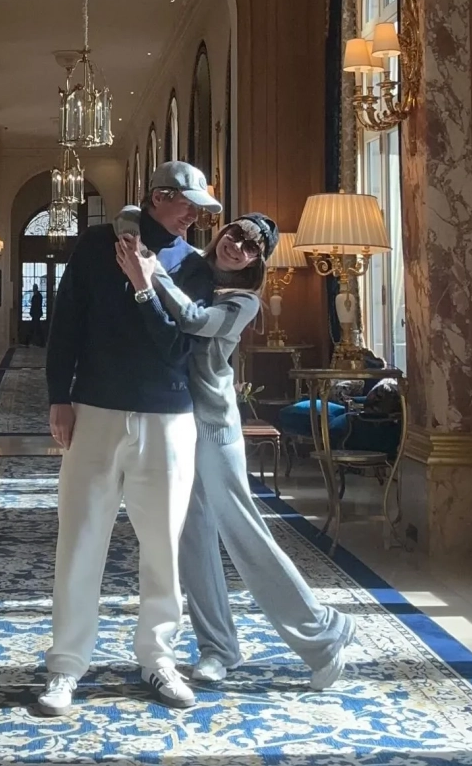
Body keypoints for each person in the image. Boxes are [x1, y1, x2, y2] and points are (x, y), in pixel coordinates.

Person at [115, 214, 357, 691]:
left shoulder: (244, 302)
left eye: (251, 247)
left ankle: (322, 631)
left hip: (214, 427)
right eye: (235, 234)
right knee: (191, 537)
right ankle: (218, 647)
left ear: (256, 262)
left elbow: (193, 321)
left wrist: (153, 274)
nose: (238, 246)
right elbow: (131, 220)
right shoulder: (191, 267)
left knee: (244, 533)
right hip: (175, 419)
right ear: (221, 231)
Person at [39, 162, 222, 716]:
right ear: (157, 197)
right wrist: (59, 395)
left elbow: (177, 350)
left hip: (168, 420)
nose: (193, 217)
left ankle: (159, 659)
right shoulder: (96, 246)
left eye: (199, 210)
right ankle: (66, 665)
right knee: (80, 541)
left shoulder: (194, 267)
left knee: (163, 547)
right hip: (94, 411)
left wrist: (146, 287)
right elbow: (66, 322)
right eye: (186, 205)